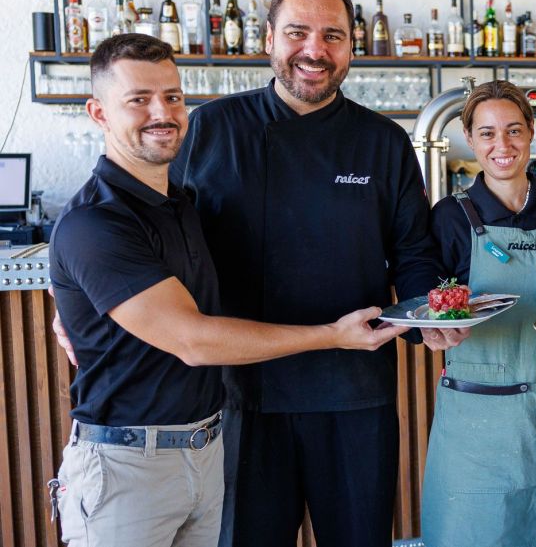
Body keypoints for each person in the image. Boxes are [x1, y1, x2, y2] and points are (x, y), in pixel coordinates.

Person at [47, 33, 405, 547]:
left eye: (172, 96)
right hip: (129, 465)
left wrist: (75, 303)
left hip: (202, 449)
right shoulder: (96, 222)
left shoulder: (178, 207)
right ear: (98, 113)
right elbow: (193, 340)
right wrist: (332, 334)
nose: (161, 112)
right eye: (138, 100)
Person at [170, 0, 443, 547]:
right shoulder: (210, 129)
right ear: (268, 38)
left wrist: (429, 322)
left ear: (352, 45)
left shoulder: (384, 142)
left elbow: (413, 254)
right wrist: (81, 301)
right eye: (298, 32)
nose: (314, 51)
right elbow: (149, 230)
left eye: (333, 36)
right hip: (242, 395)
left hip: (354, 392)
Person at [419, 80, 536, 547]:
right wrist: (432, 328)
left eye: (513, 130)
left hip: (534, 415)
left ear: (531, 132)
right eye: (486, 133)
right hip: (470, 419)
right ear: (468, 137)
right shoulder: (449, 217)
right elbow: (422, 302)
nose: (501, 145)